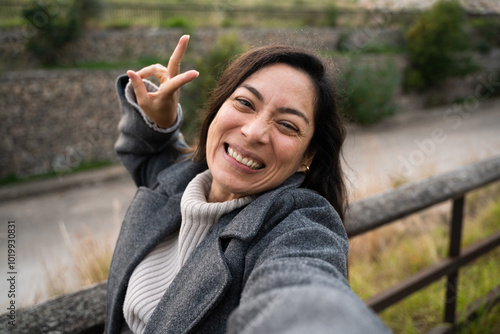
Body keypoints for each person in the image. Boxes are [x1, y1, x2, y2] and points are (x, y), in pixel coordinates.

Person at [105, 35, 391, 334]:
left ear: (308, 156)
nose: (254, 132)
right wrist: (161, 122)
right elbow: (147, 153)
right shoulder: (181, 178)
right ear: (217, 107)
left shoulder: (298, 228)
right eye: (244, 103)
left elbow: (303, 296)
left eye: (287, 125)